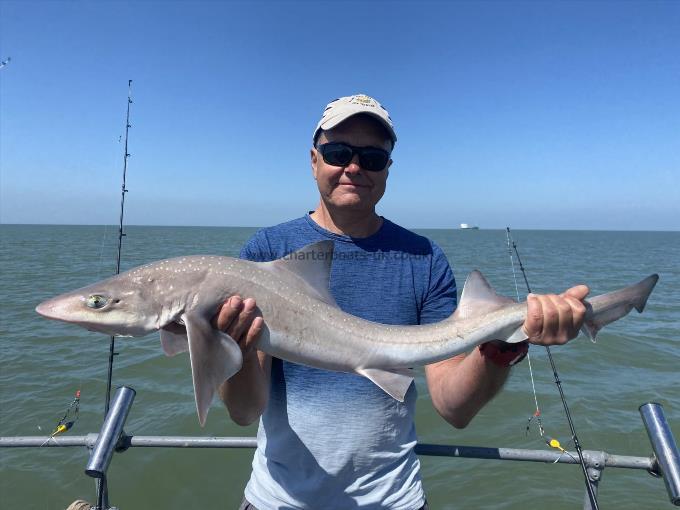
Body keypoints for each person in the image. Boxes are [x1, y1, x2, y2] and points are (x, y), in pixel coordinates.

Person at [215, 94, 589, 509]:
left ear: (388, 169)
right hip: (278, 501)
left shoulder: (423, 259)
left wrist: (501, 348)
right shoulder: (267, 251)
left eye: (372, 158)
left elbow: (453, 408)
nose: (354, 167)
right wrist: (235, 348)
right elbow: (245, 411)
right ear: (313, 159)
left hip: (393, 500)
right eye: (338, 152)